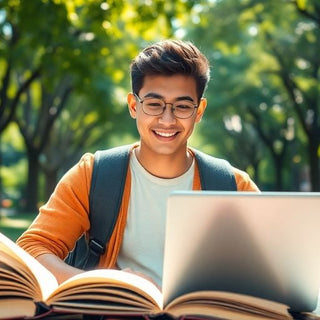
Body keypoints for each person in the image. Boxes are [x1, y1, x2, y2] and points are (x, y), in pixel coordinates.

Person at [17, 39, 259, 287]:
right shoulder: (93, 174)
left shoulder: (233, 185)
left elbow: (271, 265)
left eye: (183, 106)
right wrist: (105, 283)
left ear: (199, 111)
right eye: (154, 104)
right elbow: (32, 248)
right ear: (134, 105)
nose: (167, 120)